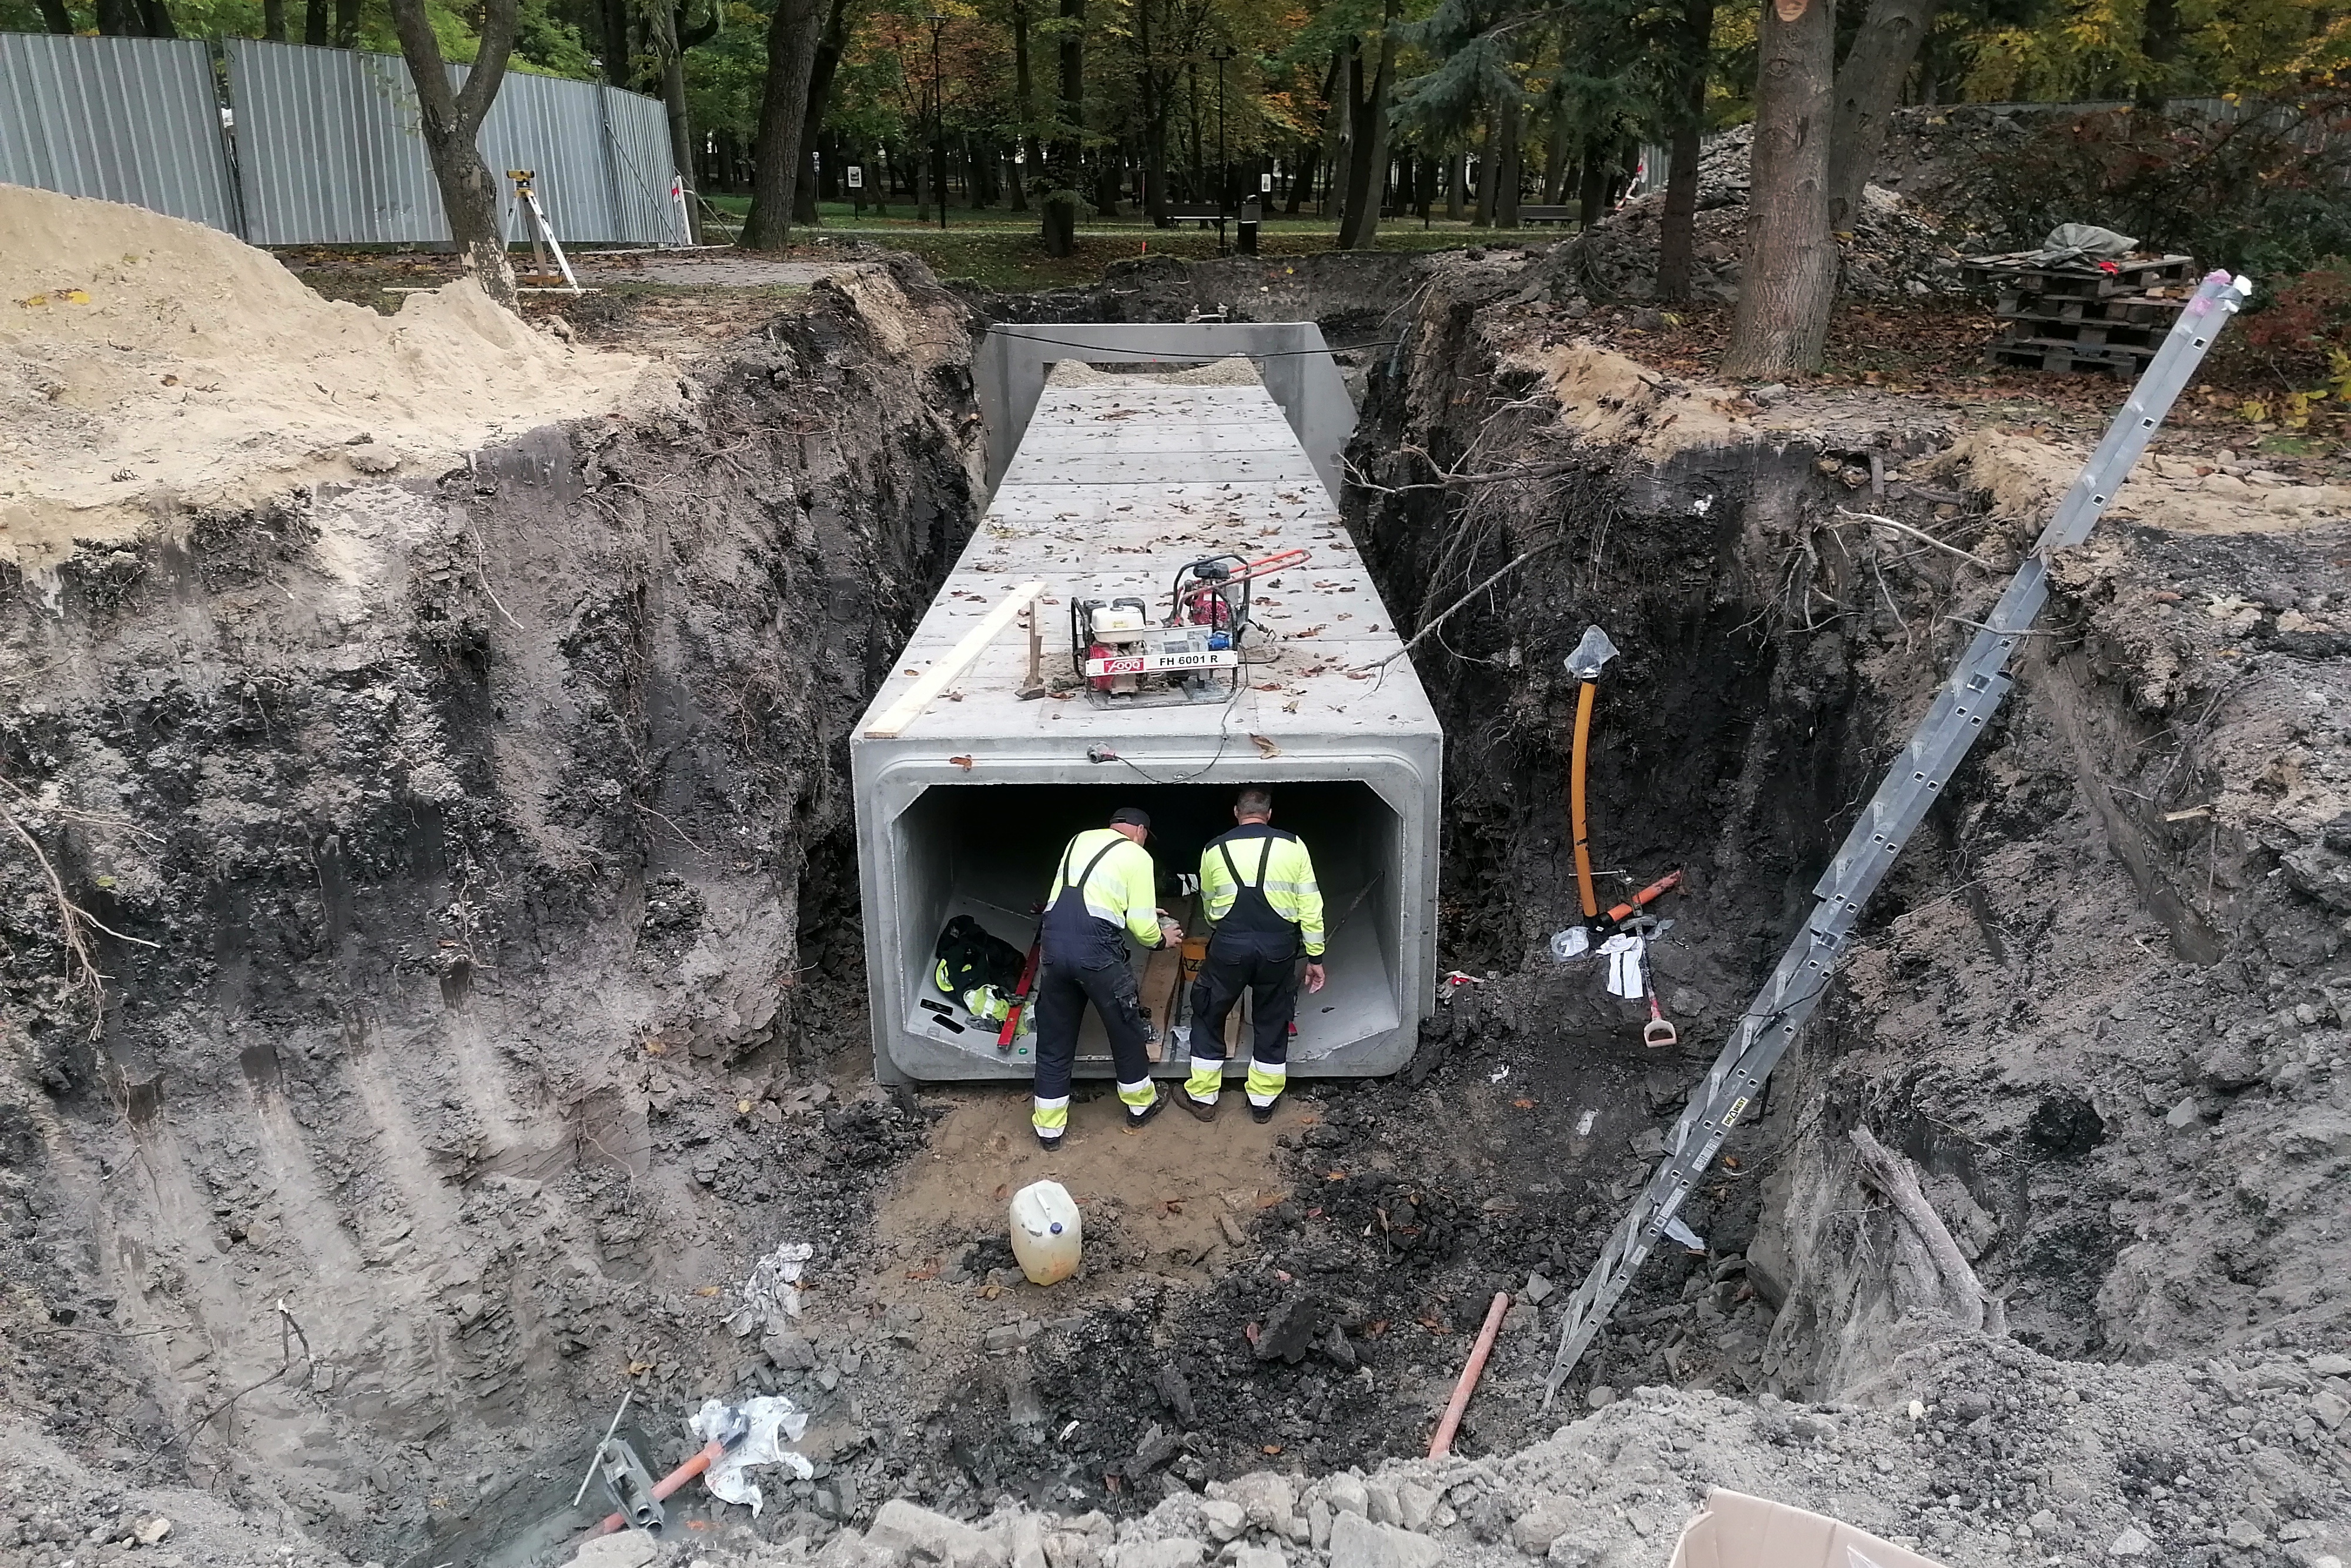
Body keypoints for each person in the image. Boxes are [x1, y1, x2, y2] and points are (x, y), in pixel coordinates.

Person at [1030, 806, 1182, 1148]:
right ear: (1141, 832)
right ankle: (1141, 1106)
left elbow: (1089, 898)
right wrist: (1162, 940)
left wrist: (1134, 910)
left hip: (1054, 948)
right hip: (1097, 956)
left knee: (1055, 1038)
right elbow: (1144, 930)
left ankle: (1049, 1129)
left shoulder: (1079, 840)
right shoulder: (1137, 857)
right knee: (1125, 1028)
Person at [1180, 788, 1324, 1124]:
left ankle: (1203, 1097)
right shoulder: (1293, 846)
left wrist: (1225, 927)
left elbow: (1210, 904)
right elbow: (1311, 906)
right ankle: (1262, 1102)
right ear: (1269, 814)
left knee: (1208, 1010)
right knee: (1273, 1017)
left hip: (1230, 946)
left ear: (1236, 812)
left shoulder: (1213, 850)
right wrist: (1315, 956)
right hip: (1278, 948)